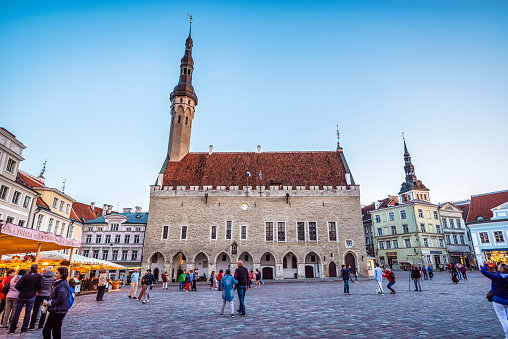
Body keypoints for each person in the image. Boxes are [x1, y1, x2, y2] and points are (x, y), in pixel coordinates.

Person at [9, 264, 43, 334]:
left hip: (22, 295)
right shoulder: (38, 276)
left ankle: (12, 329)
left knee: (17, 312)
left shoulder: (25, 276)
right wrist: (34, 290)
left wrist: (22, 290)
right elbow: (40, 286)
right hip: (31, 295)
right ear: (37, 268)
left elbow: (17, 285)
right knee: (28, 312)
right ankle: (24, 328)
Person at [481, 260, 508, 338]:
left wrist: (486, 264)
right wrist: (496, 266)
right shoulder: (503, 276)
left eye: (498, 268)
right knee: (506, 318)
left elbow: (483, 271)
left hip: (499, 301)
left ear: (501, 270)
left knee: (503, 320)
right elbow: (501, 274)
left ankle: (507, 336)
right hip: (507, 299)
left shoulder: (497, 278)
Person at [42, 267, 70, 339]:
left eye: (57, 273)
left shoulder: (62, 284)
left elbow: (61, 298)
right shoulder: (58, 283)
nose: (55, 274)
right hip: (55, 309)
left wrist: (50, 303)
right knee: (47, 330)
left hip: (59, 310)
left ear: (61, 275)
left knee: (55, 331)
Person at [29, 266, 55, 330]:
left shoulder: (41, 276)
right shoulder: (53, 277)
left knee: (35, 310)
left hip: (39, 294)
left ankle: (32, 325)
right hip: (47, 294)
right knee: (44, 310)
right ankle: (41, 325)